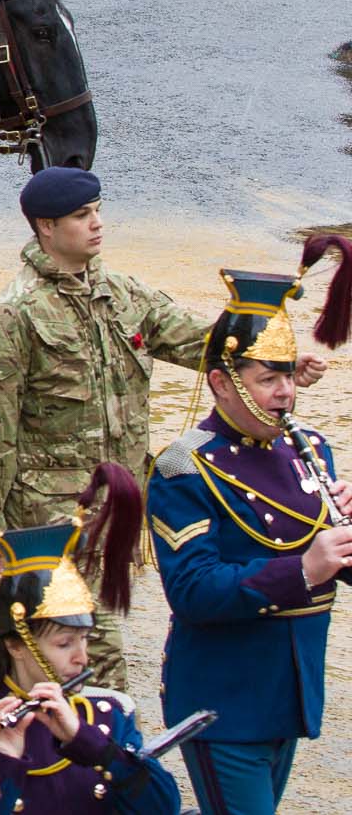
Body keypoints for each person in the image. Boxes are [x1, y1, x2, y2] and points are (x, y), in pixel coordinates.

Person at [0, 167, 297, 687]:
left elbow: (197, 342)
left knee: (64, 646)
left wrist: (268, 357)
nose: (97, 224)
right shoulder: (14, 315)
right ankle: (87, 750)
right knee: (81, 645)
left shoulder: (122, 294)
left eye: (98, 211)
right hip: (51, 511)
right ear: (45, 227)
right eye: (81, 215)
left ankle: (42, 742)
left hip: (120, 505)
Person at [149, 254, 352, 815]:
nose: (285, 393)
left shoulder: (306, 448)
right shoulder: (184, 469)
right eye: (268, 380)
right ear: (222, 382)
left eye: (287, 377)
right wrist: (305, 569)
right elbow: (193, 591)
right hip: (226, 698)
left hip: (289, 692)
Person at [0, 467, 183, 815]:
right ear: (15, 644)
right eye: (64, 644)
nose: (82, 658)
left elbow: (163, 808)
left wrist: (91, 744)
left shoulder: (111, 714)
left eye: (84, 640)